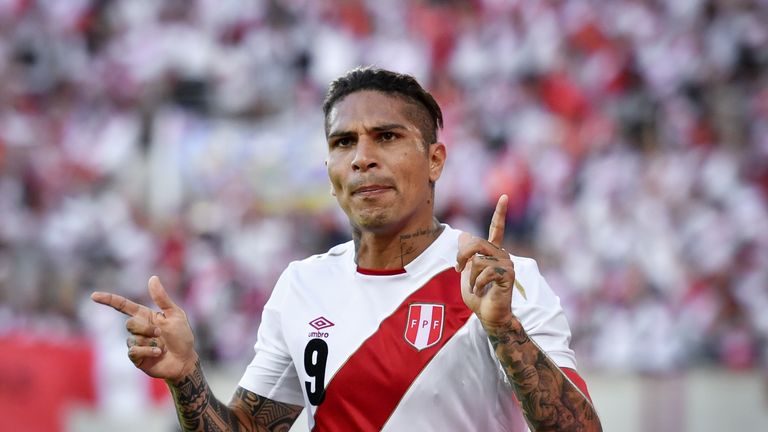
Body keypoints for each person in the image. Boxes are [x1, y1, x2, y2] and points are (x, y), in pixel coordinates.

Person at [92, 67, 602, 432]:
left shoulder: (502, 282)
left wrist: (503, 328)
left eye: (386, 137)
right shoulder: (302, 285)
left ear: (435, 161)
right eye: (343, 143)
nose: (362, 159)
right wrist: (186, 378)